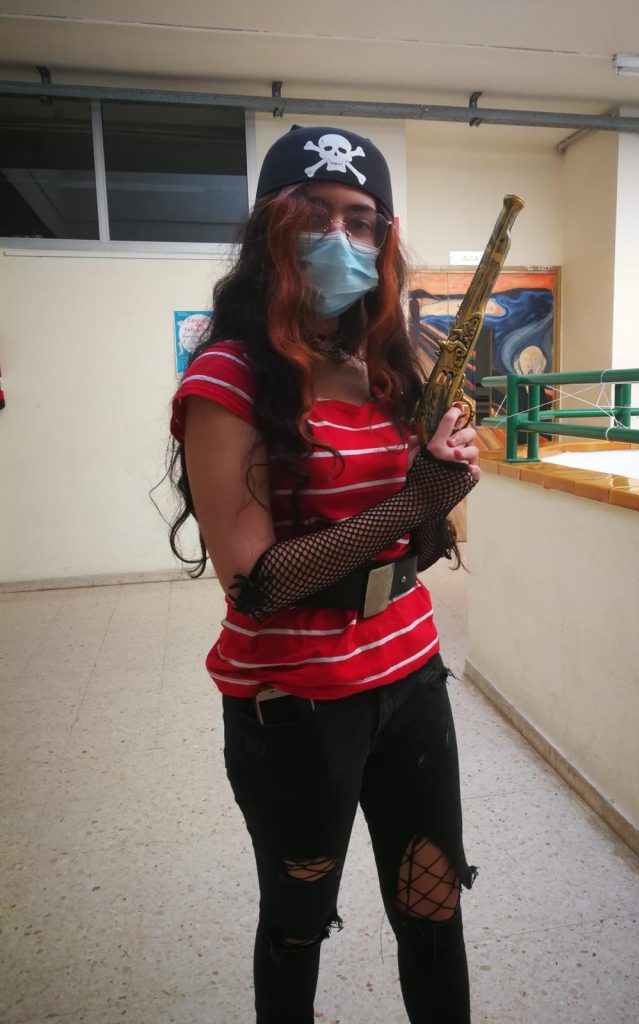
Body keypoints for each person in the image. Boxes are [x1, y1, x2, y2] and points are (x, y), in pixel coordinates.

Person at [167, 124, 481, 1024]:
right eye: (315, 214)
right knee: (298, 923)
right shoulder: (228, 377)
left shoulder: (387, 366)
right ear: (271, 227)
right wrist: (408, 501)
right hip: (295, 700)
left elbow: (412, 549)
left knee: (434, 907)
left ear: (385, 237)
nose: (341, 237)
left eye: (361, 218)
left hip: (410, 670)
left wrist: (441, 489)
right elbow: (255, 582)